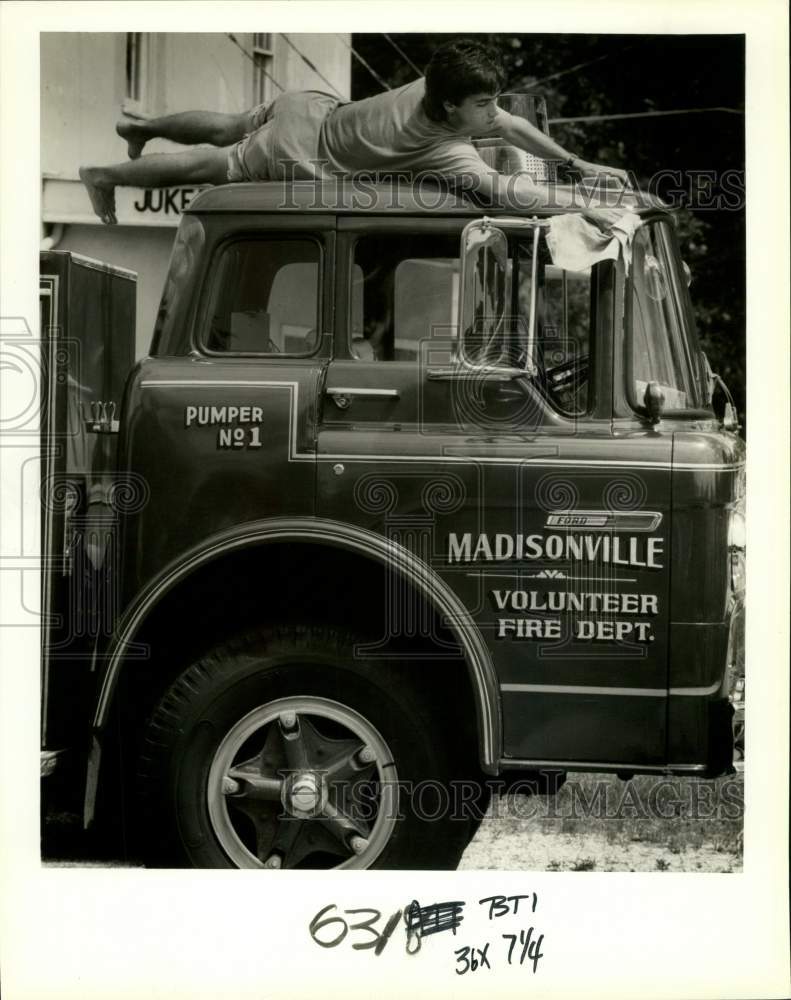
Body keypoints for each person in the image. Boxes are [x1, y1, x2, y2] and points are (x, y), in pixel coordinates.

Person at [80, 39, 628, 227]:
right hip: (301, 151)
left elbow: (516, 126)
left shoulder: (433, 83)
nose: (494, 114)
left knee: (227, 125)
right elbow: (514, 192)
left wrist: (575, 164)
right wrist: (581, 205)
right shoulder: (444, 151)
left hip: (310, 109)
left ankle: (141, 125)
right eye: (483, 104)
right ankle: (103, 175)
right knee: (209, 165)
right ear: (448, 105)